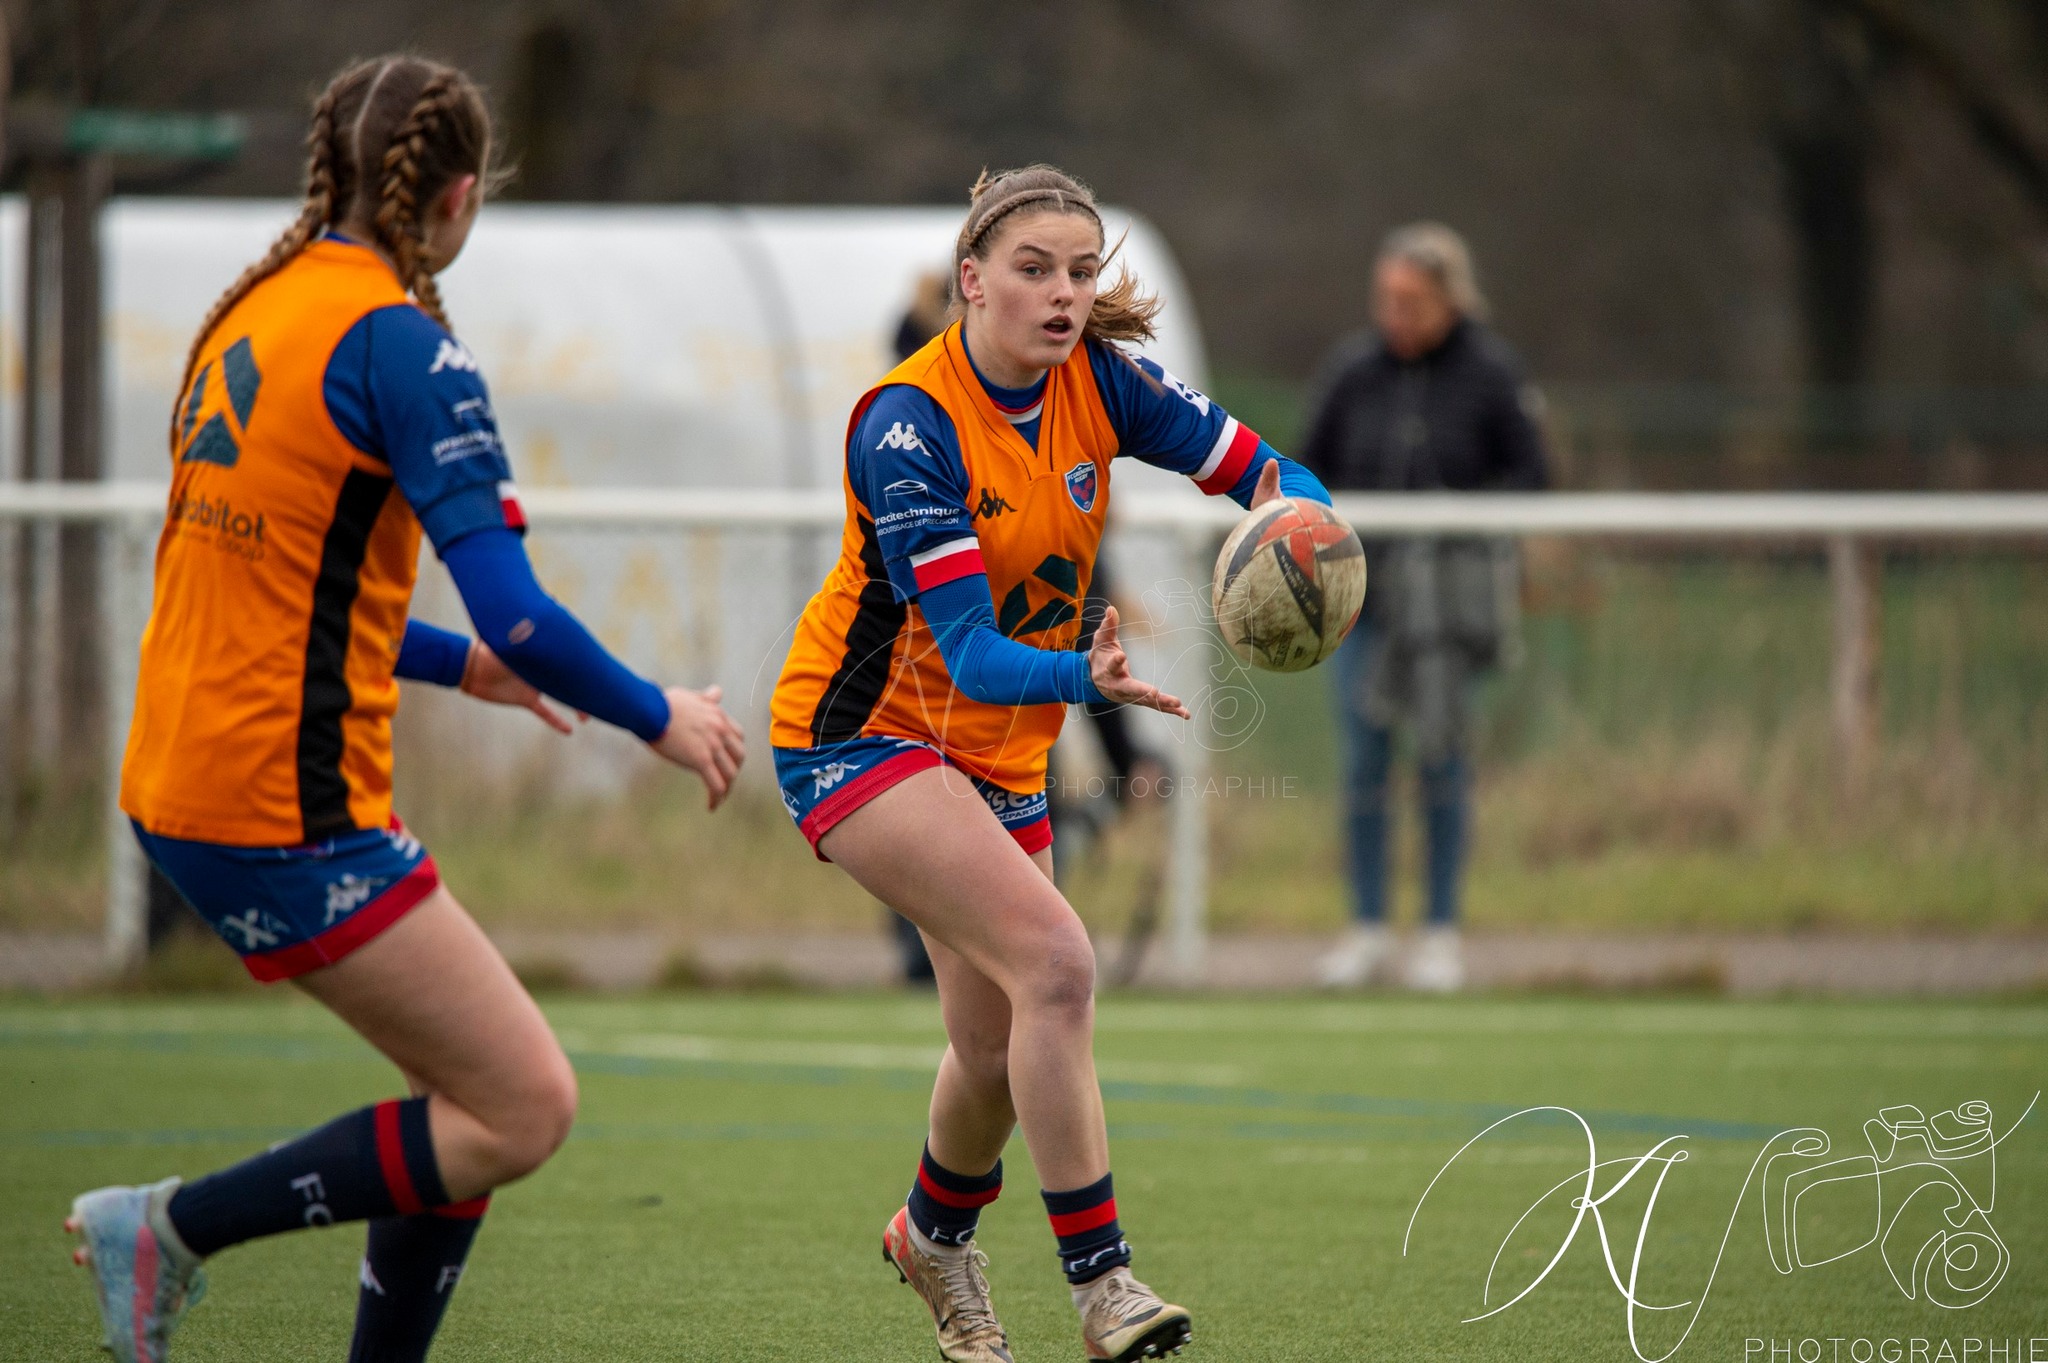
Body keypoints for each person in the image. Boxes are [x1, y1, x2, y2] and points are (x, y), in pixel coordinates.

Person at [66, 55, 745, 1363]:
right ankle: (168, 1226)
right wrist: (656, 709)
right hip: (276, 804)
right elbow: (525, 615)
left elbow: (286, 590)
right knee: (524, 1103)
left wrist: (456, 669)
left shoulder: (252, 309)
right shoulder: (405, 344)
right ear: (457, 198)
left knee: (471, 1096)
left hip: (184, 775)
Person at [770, 165, 1333, 1363]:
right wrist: (1094, 682)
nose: (1063, 293)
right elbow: (969, 654)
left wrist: (1312, 531)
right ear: (969, 283)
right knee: (1060, 968)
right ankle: (1104, 1284)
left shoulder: (1102, 384)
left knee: (989, 1042)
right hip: (860, 737)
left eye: (1081, 270)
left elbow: (1260, 469)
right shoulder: (905, 421)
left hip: (996, 753)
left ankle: (933, 1236)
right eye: (1032, 270)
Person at [1297, 222, 1548, 993]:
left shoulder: (1491, 372)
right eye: (1386, 299)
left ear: (1449, 298)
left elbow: (1532, 477)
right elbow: (1309, 468)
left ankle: (1440, 931)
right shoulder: (1352, 371)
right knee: (1365, 763)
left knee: (1443, 761)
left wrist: (1460, 522)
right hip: (1365, 602)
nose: (1395, 314)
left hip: (1446, 610)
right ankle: (1368, 928)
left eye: (1412, 300)